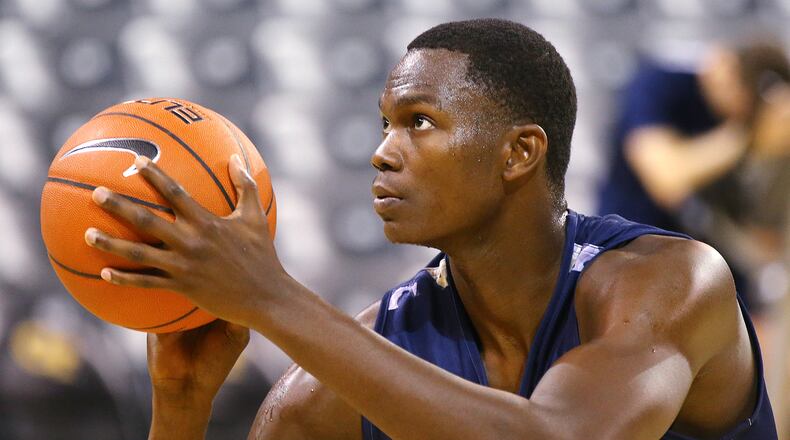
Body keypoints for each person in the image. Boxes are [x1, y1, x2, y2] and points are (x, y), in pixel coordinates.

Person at [82, 19, 776, 439]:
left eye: (418, 121)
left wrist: (270, 297)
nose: (382, 151)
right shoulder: (323, 394)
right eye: (383, 124)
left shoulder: (671, 282)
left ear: (519, 152)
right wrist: (179, 409)